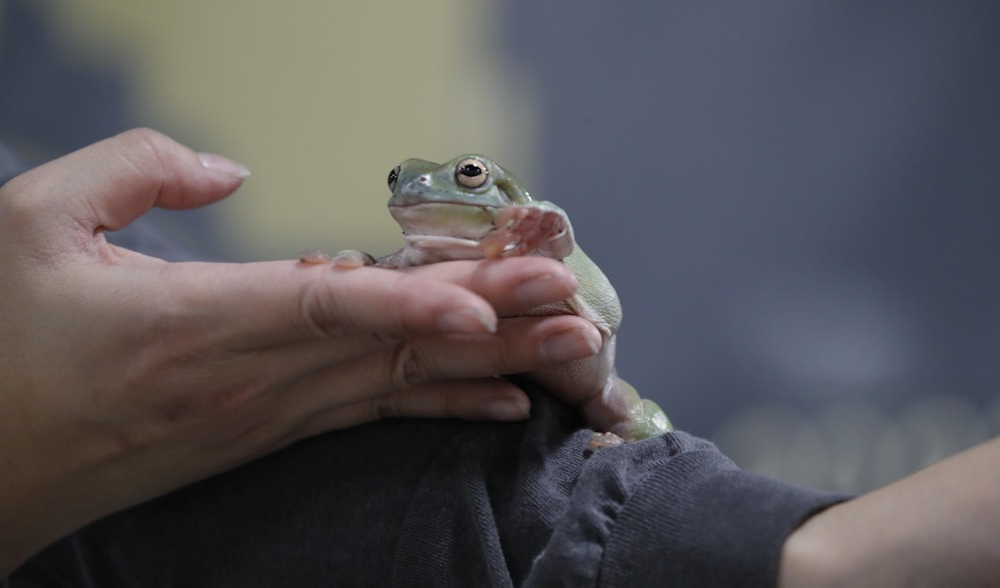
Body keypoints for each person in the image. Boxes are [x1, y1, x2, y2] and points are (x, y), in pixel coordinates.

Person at [3, 131, 999, 587]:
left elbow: (593, 306)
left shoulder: (533, 237)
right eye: (408, 182)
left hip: (580, 417)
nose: (422, 189)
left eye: (462, 178)